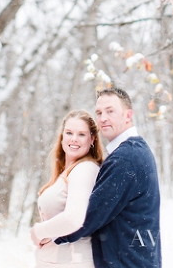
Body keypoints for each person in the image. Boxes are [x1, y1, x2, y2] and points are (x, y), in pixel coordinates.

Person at [55, 88, 162, 268]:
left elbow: (89, 216)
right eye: (99, 112)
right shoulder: (136, 150)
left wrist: (52, 236)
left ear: (128, 115)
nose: (103, 118)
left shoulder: (125, 159)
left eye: (110, 111)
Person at [31, 110, 104, 268]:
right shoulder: (69, 171)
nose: (74, 139)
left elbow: (73, 219)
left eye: (81, 134)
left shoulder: (84, 169)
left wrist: (38, 231)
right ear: (62, 136)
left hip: (71, 261)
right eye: (69, 132)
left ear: (92, 139)